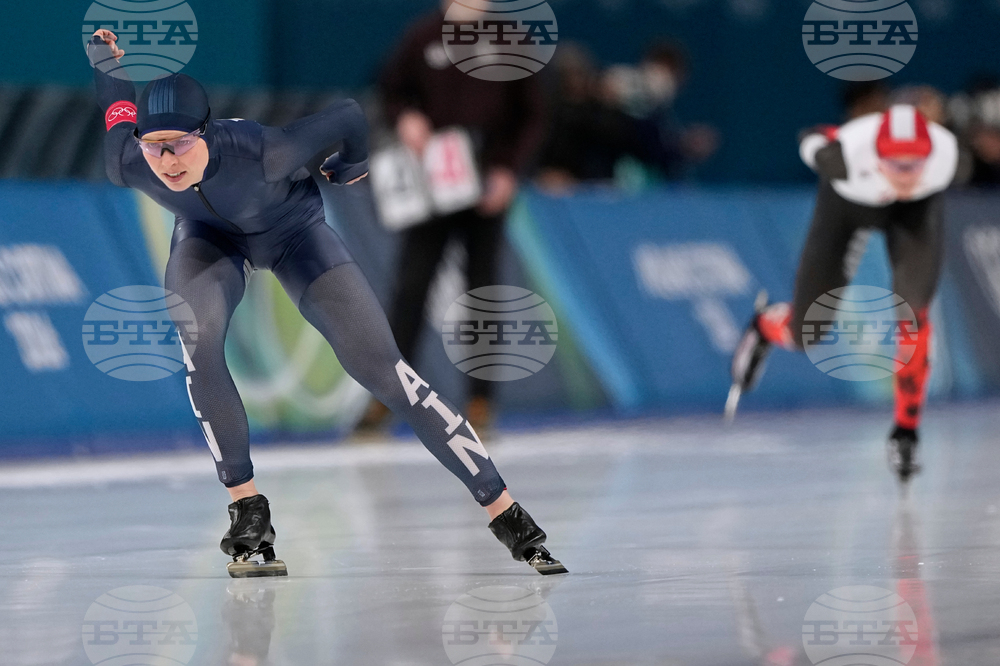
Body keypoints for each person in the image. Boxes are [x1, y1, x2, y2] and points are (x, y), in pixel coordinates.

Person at [86, 30, 566, 576]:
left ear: (207, 133)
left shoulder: (265, 152)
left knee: (388, 374)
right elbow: (118, 109)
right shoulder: (127, 160)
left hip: (294, 236)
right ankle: (248, 509)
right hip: (207, 239)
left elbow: (348, 116)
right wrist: (106, 63)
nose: (166, 161)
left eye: (178, 144)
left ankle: (505, 511)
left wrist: (350, 162)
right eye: (154, 146)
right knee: (199, 343)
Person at [727, 105, 959, 483]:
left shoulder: (946, 154)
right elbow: (812, 137)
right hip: (847, 206)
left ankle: (906, 429)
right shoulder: (849, 153)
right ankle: (766, 325)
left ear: (930, 157)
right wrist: (819, 151)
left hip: (913, 213)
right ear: (876, 156)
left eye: (915, 165)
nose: (905, 175)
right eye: (896, 165)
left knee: (914, 309)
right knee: (807, 333)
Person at [357, 0, 547, 435]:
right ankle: (388, 395)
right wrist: (405, 118)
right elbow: (391, 89)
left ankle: (481, 400)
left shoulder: (511, 40)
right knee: (412, 285)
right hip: (432, 182)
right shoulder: (422, 36)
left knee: (483, 288)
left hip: (486, 181)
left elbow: (533, 115)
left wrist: (508, 169)